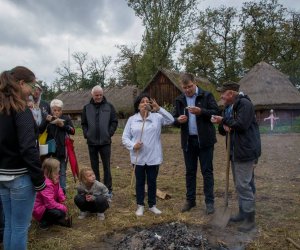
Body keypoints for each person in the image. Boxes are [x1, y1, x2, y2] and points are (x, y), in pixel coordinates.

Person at [0, 66, 46, 250]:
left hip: (2, 176)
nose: (34, 90)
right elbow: (28, 149)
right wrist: (39, 180)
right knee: (20, 227)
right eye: (31, 85)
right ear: (20, 84)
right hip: (20, 177)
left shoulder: (2, 109)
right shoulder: (21, 111)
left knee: (10, 225)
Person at [211, 82, 261, 232]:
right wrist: (220, 123)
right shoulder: (228, 107)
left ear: (231, 93)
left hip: (245, 151)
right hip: (233, 151)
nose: (221, 96)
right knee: (240, 183)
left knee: (243, 185)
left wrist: (224, 121)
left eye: (223, 93)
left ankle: (250, 220)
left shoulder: (245, 104)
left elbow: (241, 125)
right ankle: (242, 213)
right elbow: (222, 130)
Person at [173, 73, 219, 214]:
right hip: (188, 141)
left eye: (190, 87)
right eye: (184, 88)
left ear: (195, 83)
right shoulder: (180, 99)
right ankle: (190, 201)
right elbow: (174, 118)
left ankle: (209, 202)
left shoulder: (207, 95)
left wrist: (201, 111)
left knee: (207, 172)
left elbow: (216, 112)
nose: (187, 90)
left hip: (205, 141)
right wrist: (178, 120)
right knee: (190, 172)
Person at [122, 93, 174, 216]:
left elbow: (171, 120)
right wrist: (133, 145)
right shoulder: (132, 119)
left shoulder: (157, 117)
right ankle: (140, 205)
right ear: (138, 105)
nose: (145, 103)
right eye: (142, 101)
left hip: (153, 156)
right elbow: (125, 138)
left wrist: (159, 108)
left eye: (147, 101)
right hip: (138, 157)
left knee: (152, 181)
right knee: (139, 181)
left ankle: (152, 205)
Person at [81, 85, 118, 199]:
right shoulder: (86, 108)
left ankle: (108, 190)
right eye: (96, 95)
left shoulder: (109, 106)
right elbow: (84, 123)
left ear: (103, 94)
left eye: (100, 95)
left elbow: (114, 121)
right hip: (92, 142)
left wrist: (109, 132)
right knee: (94, 167)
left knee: (106, 166)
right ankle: (96, 189)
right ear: (92, 95)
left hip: (105, 142)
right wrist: (87, 134)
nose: (98, 97)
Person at [40, 99, 75, 193]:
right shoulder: (48, 118)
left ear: (61, 110)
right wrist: (46, 121)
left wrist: (63, 126)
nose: (56, 112)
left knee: (62, 171)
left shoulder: (66, 118)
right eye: (54, 110)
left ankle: (62, 190)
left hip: (62, 149)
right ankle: (49, 189)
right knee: (48, 170)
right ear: (51, 110)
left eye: (59, 110)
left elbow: (73, 131)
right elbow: (40, 130)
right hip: (50, 149)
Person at [33, 158, 72, 229]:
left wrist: (62, 199)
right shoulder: (46, 183)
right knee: (60, 213)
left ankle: (53, 219)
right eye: (57, 171)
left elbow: (59, 188)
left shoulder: (53, 177)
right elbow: (49, 204)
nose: (59, 172)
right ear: (51, 171)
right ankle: (44, 222)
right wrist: (62, 207)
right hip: (40, 209)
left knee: (62, 191)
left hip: (46, 204)